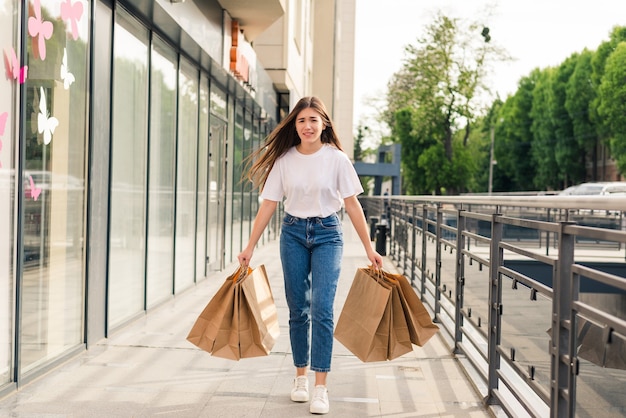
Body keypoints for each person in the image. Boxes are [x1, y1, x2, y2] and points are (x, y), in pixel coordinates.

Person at [237, 96, 383, 415]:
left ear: (324, 124)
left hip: (328, 234)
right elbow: (269, 204)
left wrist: (369, 248)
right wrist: (249, 246)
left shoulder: (337, 159)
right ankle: (300, 377)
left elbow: (353, 205)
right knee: (297, 308)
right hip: (292, 234)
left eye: (313, 120)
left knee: (322, 307)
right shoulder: (285, 160)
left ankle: (321, 387)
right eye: (301, 120)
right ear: (295, 125)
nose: (307, 126)